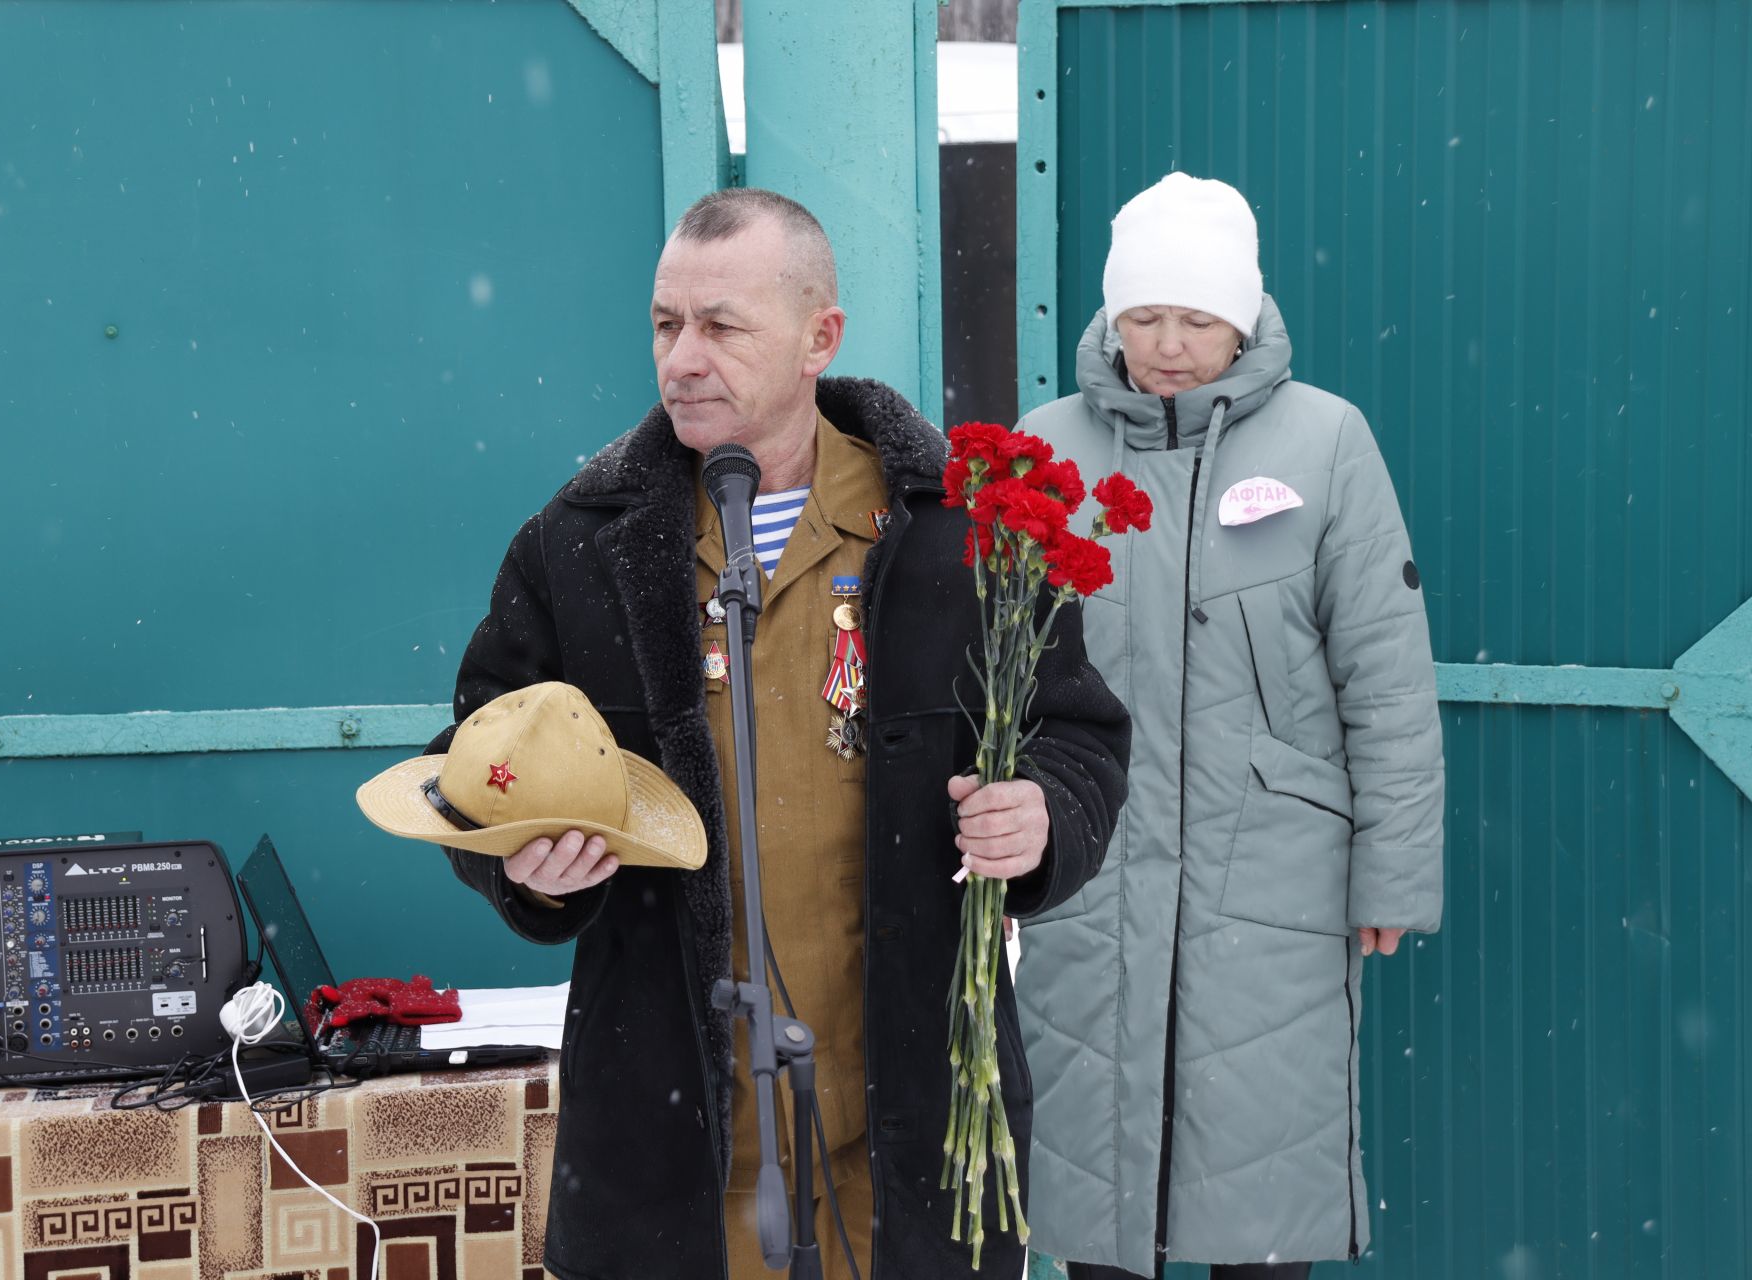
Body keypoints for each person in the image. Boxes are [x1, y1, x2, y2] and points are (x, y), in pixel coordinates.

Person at [431, 187, 1131, 1280]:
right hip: (670, 1143)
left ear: (821, 336)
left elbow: (1078, 733)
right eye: (666, 325)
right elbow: (475, 759)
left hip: (906, 1128)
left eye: (721, 325)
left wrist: (1043, 813)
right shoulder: (578, 545)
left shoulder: (956, 530)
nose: (683, 359)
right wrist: (524, 865)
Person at [1012, 172, 1445, 1279]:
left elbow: (1386, 679)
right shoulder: (1046, 447)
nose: (1167, 344)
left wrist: (1392, 873)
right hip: (1092, 869)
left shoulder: (1326, 444)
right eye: (1144, 314)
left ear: (1242, 318)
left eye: (1197, 318)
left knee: (1261, 1211)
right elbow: (997, 667)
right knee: (1097, 1202)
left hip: (1274, 885)